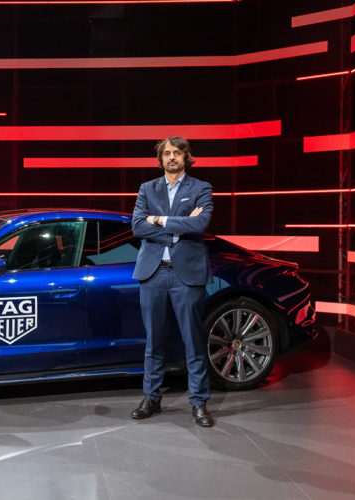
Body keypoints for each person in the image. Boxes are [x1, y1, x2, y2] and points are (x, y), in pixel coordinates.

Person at [130, 136, 215, 427]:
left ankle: (199, 402)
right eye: (167, 153)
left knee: (193, 341)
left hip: (186, 275)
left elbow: (200, 224)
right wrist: (179, 226)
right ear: (161, 158)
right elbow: (137, 227)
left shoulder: (201, 188)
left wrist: (160, 220)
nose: (172, 157)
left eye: (177, 152)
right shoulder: (147, 188)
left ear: (186, 156)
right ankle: (151, 397)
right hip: (153, 273)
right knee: (153, 341)